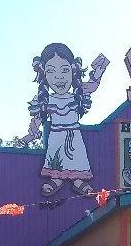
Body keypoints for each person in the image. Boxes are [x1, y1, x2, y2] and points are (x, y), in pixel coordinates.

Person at [16, 43, 109, 196]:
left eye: (64, 70)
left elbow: (92, 85)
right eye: (51, 71)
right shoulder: (46, 99)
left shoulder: (76, 96)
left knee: (77, 158)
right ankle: (57, 179)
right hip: (56, 134)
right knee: (56, 158)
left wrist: (100, 69)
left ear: (73, 71)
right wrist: (30, 135)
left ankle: (78, 181)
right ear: (44, 74)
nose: (59, 77)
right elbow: (37, 119)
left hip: (74, 133)